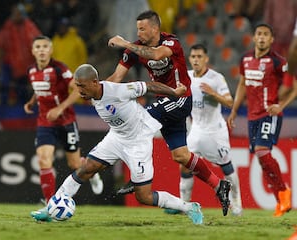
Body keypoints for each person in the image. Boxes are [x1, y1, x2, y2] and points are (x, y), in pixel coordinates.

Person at [32, 63, 204, 224]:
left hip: (138, 141)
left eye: (82, 86)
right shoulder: (91, 93)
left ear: (95, 82)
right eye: (77, 85)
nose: (79, 90)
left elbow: (148, 86)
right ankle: (51, 208)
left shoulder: (117, 91)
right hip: (116, 137)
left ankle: (189, 207)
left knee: (143, 196)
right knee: (87, 168)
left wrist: (174, 92)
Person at [107, 10, 231, 216]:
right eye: (138, 29)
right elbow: (116, 77)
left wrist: (126, 43)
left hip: (180, 98)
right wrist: (96, 90)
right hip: (163, 100)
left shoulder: (172, 43)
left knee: (140, 121)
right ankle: (219, 185)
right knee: (181, 155)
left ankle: (138, 176)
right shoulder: (135, 49)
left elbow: (156, 54)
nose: (138, 32)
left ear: (155, 28)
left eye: (142, 29)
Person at [24, 36, 103, 211]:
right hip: (45, 122)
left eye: (45, 46)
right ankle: (49, 204)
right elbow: (41, 89)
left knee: (75, 165)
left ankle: (92, 174)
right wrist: (31, 101)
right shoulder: (31, 70)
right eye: (38, 46)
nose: (42, 50)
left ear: (51, 50)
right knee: (44, 160)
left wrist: (60, 108)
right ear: (33, 51)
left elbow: (77, 89)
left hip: (66, 121)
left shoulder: (59, 68)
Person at [227, 23, 296, 217]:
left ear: (271, 40)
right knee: (261, 158)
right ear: (254, 37)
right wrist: (234, 111)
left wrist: (281, 106)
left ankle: (283, 192)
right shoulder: (245, 59)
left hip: (270, 114)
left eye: (266, 34)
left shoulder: (278, 62)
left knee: (262, 151)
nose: (262, 37)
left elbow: (294, 86)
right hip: (252, 117)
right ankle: (280, 200)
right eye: (259, 34)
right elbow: (242, 84)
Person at [171, 44, 242, 216]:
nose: (196, 60)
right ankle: (184, 205)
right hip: (196, 130)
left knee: (227, 168)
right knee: (184, 165)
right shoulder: (185, 77)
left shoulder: (216, 78)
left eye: (199, 56)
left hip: (215, 132)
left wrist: (213, 94)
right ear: (190, 59)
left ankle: (237, 202)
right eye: (193, 56)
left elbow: (230, 102)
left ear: (206, 59)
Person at [0, 3, 41, 105]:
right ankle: (3, 108)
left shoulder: (30, 27)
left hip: (25, 65)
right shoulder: (7, 27)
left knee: (22, 91)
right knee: (4, 86)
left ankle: (21, 112)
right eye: (15, 13)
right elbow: (0, 45)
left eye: (19, 13)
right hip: (8, 63)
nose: (16, 15)